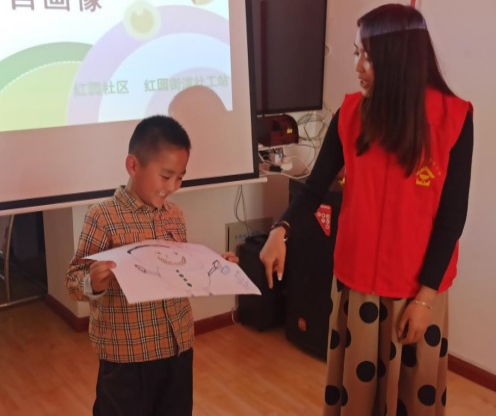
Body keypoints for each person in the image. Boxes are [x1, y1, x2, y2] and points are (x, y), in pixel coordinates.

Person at [260, 5, 474, 416]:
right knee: (356, 398)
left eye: (369, 57)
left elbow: (452, 218)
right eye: (356, 53)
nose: (357, 66)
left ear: (400, 59)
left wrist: (424, 300)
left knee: (412, 396)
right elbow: (315, 187)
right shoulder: (351, 114)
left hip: (417, 290)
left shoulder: (453, 118)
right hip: (357, 285)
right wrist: (280, 230)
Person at [65, 115, 239, 416]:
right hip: (127, 358)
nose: (172, 186)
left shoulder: (175, 215)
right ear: (133, 166)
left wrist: (213, 266)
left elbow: (179, 270)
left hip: (178, 347)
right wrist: (92, 282)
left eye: (180, 177)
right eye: (166, 175)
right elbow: (72, 280)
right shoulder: (102, 217)